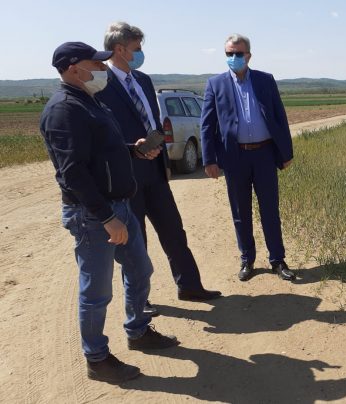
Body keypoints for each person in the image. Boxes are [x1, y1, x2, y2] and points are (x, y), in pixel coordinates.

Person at [40, 42, 179, 383]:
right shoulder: (64, 110)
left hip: (119, 205)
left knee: (140, 269)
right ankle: (97, 359)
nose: (103, 69)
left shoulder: (90, 101)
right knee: (96, 291)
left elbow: (100, 152)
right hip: (93, 216)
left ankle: (138, 330)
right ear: (74, 69)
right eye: (97, 65)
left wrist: (134, 150)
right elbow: (72, 173)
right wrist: (106, 217)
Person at [96, 22, 220, 311]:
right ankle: (140, 301)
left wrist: (164, 162)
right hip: (126, 173)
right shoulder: (101, 83)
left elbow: (153, 122)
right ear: (119, 49)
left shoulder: (143, 80)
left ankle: (189, 286)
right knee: (135, 241)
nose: (141, 54)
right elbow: (102, 132)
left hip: (154, 171)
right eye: (137, 48)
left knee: (174, 231)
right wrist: (132, 148)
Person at [200, 34, 296, 282]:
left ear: (248, 55)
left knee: (270, 210)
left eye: (238, 53)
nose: (233, 57)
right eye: (229, 54)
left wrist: (286, 152)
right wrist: (209, 159)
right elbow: (207, 125)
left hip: (264, 154)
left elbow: (279, 116)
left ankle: (277, 260)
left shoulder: (265, 80)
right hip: (235, 157)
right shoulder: (215, 84)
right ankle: (247, 260)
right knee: (240, 212)